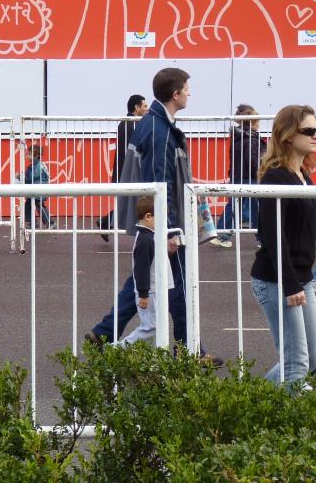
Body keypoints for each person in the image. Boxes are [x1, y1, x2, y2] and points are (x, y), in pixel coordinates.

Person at [87, 68, 219, 364]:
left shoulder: (155, 123)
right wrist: (168, 230)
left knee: (142, 278)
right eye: (187, 88)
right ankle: (188, 351)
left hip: (158, 222)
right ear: (175, 94)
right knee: (179, 286)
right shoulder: (160, 130)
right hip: (167, 224)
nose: (189, 93)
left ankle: (104, 332)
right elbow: (159, 183)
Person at [249, 105, 316, 386]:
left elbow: (314, 218)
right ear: (289, 135)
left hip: (301, 276)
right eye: (309, 130)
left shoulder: (303, 176)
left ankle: (255, 399)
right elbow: (272, 235)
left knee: (313, 357)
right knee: (297, 362)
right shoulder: (276, 177)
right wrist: (290, 284)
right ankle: (274, 412)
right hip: (276, 278)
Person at [211, 104, 265, 248]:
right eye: (258, 122)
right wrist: (261, 172)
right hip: (250, 177)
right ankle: (263, 238)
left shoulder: (238, 137)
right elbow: (253, 161)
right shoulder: (251, 139)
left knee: (235, 206)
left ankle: (222, 235)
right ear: (252, 123)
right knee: (256, 207)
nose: (259, 125)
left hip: (238, 176)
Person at [98, 94, 148, 241]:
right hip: (129, 171)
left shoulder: (125, 123)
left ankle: (106, 222)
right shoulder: (133, 125)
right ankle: (107, 222)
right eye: (145, 106)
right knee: (133, 203)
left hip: (124, 170)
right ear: (137, 107)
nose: (147, 109)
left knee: (128, 203)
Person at [118, 194, 159, 345]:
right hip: (149, 292)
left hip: (150, 290)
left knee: (154, 327)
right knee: (151, 327)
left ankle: (152, 356)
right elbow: (141, 268)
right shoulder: (145, 239)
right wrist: (143, 293)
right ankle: (117, 349)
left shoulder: (146, 236)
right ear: (148, 217)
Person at [23, 143, 51, 228]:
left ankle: (50, 223)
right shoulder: (32, 166)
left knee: (39, 205)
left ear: (36, 156)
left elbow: (33, 176)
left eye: (29, 154)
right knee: (28, 204)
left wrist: (22, 177)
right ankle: (31, 223)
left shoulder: (38, 165)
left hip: (39, 189)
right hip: (34, 188)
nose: (27, 156)